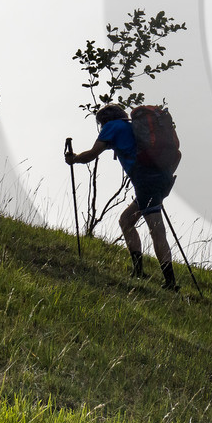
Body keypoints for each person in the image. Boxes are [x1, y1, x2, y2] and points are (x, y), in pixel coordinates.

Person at [67, 104, 178, 291]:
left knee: (156, 230)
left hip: (145, 181)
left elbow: (93, 154)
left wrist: (75, 158)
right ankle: (138, 271)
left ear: (104, 120)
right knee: (126, 221)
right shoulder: (130, 126)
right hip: (162, 178)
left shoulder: (112, 127)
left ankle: (170, 283)